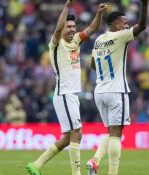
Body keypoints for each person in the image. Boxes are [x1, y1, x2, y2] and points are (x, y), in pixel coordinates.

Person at [26, 1, 107, 175]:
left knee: (67, 138)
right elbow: (56, 30)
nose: (71, 29)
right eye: (68, 26)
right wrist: (66, 7)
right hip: (64, 93)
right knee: (77, 133)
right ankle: (76, 173)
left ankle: (36, 165)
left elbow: (92, 29)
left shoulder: (76, 41)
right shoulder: (56, 44)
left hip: (71, 94)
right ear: (62, 28)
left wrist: (99, 14)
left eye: (73, 26)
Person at [85, 1, 148, 175]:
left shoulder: (99, 40)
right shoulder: (120, 36)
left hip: (100, 91)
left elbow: (92, 64)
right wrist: (145, 5)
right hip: (116, 90)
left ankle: (95, 160)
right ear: (113, 25)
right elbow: (142, 25)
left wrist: (106, 71)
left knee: (111, 131)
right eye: (123, 22)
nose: (126, 25)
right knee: (116, 135)